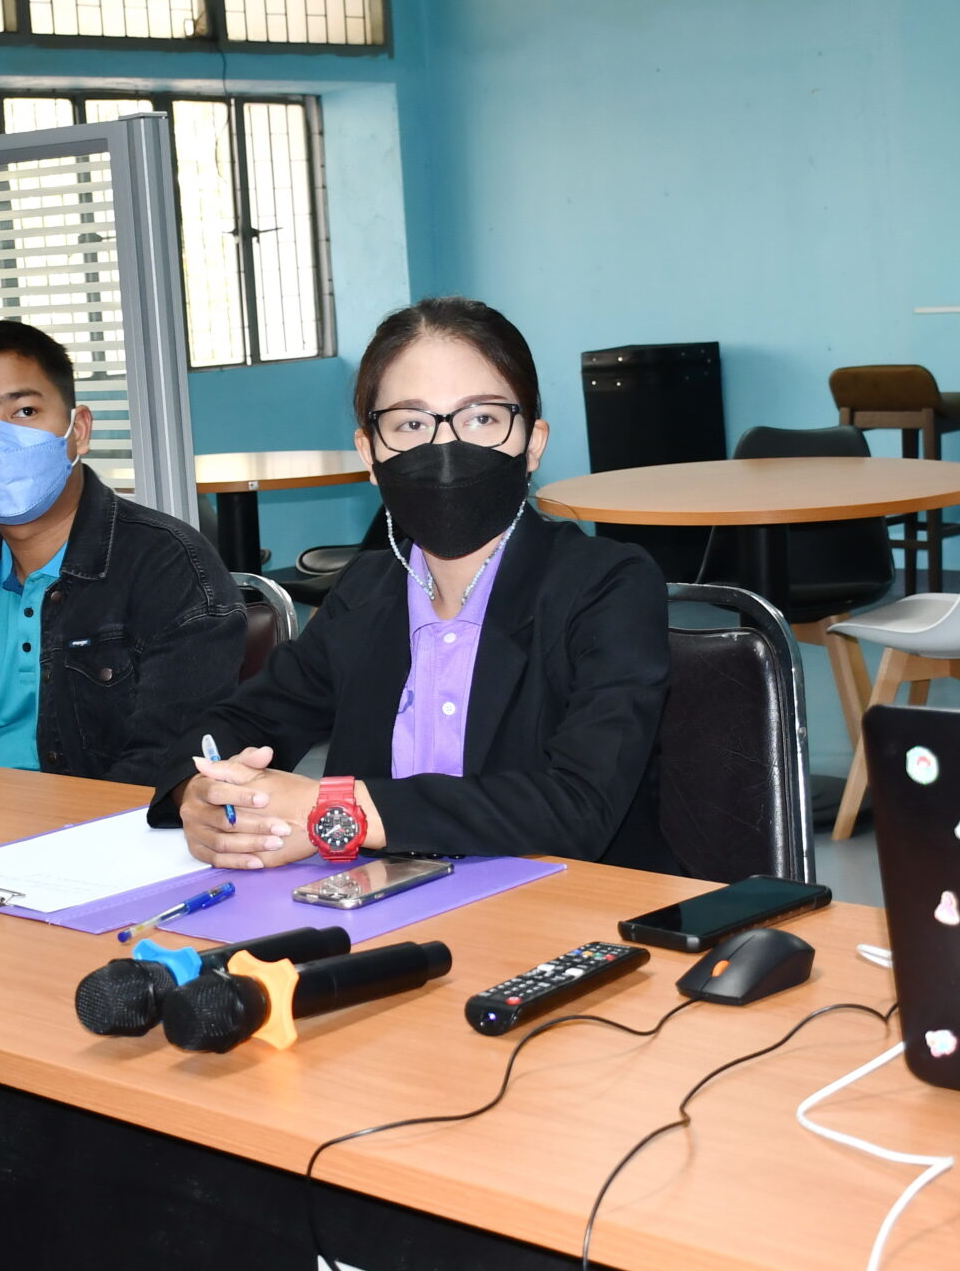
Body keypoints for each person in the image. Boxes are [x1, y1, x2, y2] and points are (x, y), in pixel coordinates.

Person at [154, 297, 675, 871]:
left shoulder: (607, 583)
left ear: (532, 443)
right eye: (410, 423)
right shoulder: (367, 590)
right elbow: (240, 722)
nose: (446, 448)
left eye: (481, 418)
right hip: (382, 903)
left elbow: (580, 805)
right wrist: (199, 793)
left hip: (571, 904)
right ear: (370, 453)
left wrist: (341, 810)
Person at [0, 319, 243, 785]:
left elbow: (167, 768)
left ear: (78, 430)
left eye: (24, 411)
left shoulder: (169, 569)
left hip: (100, 824)